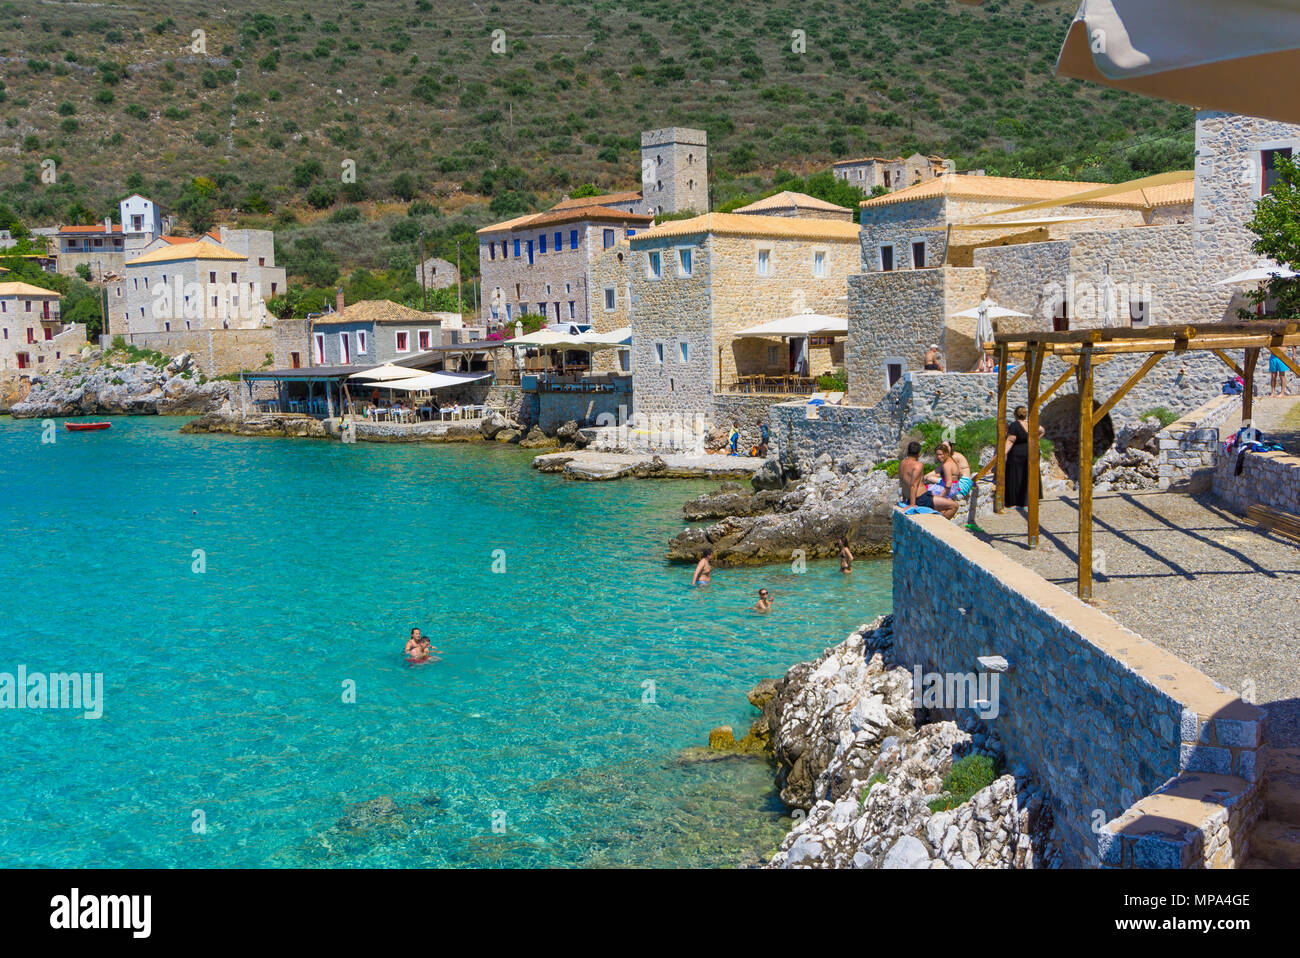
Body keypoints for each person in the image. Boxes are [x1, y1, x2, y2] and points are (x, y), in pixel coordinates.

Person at [899, 440, 958, 518]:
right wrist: (912, 504)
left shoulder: (902, 463)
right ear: (919, 454)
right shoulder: (918, 465)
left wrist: (904, 499)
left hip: (917, 497)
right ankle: (940, 527)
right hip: (922, 499)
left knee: (941, 506)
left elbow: (903, 481)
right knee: (954, 506)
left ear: (908, 452)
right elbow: (913, 485)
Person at [1004, 405, 1044, 508]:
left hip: (1017, 454)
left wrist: (1003, 452)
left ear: (1015, 415)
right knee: (1028, 475)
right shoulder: (1031, 424)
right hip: (1030, 452)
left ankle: (1015, 501)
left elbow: (1010, 440)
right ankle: (1029, 499)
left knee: (1016, 476)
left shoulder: (1014, 425)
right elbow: (1042, 430)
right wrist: (1035, 440)